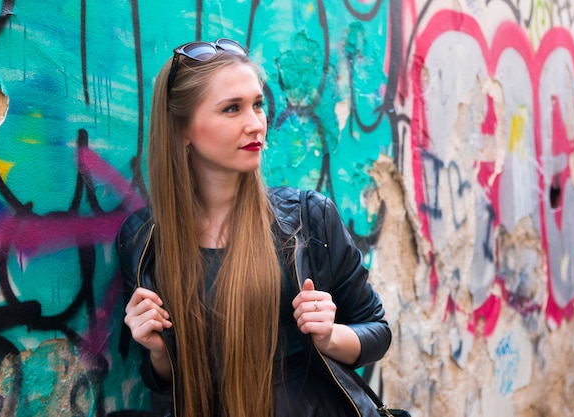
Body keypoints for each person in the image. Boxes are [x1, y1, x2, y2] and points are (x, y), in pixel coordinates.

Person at [117, 38, 391, 417]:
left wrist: (330, 336)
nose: (256, 123)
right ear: (182, 130)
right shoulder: (142, 241)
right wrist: (159, 352)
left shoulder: (308, 218)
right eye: (232, 109)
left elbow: (377, 331)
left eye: (258, 105)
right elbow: (166, 383)